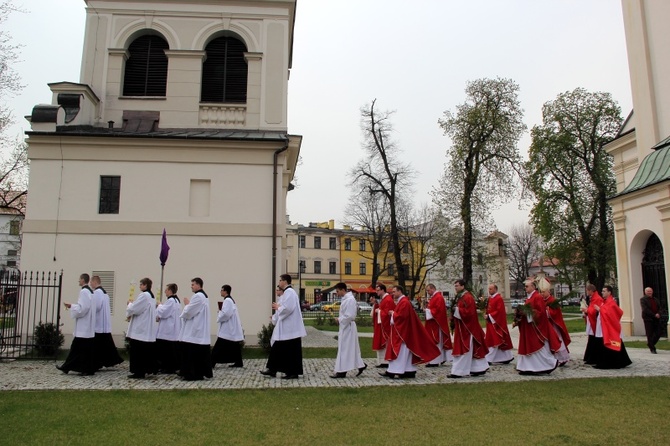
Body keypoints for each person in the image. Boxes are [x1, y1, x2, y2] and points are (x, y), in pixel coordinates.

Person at [381, 285, 440, 379]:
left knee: (400, 353)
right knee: (406, 353)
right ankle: (409, 371)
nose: (393, 293)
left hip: (403, 333)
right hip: (405, 332)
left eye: (394, 291)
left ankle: (394, 371)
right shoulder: (403, 301)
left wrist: (392, 314)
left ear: (400, 291)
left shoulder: (404, 302)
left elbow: (402, 317)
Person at [261, 274, 307, 379]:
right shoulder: (287, 293)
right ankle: (273, 369)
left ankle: (291, 372)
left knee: (289, 351)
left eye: (280, 280)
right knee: (279, 349)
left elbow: (288, 309)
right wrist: (276, 314)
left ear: (285, 281)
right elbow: (285, 308)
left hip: (290, 328)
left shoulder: (290, 292)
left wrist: (278, 307)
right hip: (287, 328)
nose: (279, 282)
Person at [515, 278, 559, 375]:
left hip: (535, 328)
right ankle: (527, 367)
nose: (525, 288)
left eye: (527, 286)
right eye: (525, 286)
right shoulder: (529, 298)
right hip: (528, 327)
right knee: (528, 347)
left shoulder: (537, 297)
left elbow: (541, 313)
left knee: (536, 348)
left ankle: (547, 364)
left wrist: (528, 312)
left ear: (533, 286)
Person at [57, 273, 97, 375]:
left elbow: (82, 309)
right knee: (83, 350)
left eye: (79, 279)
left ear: (83, 280)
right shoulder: (91, 292)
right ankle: (73, 367)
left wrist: (72, 307)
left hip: (83, 326)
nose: (78, 281)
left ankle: (70, 367)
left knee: (76, 349)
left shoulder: (84, 292)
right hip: (88, 325)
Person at [449, 279, 489, 378]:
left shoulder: (468, 297)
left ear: (463, 286)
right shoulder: (461, 297)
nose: (456, 288)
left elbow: (469, 313)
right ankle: (477, 368)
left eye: (457, 286)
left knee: (464, 348)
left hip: (467, 328)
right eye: (455, 286)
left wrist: (456, 310)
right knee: (472, 348)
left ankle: (458, 371)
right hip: (462, 326)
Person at [179, 277, 213, 381]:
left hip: (195, 330)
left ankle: (192, 374)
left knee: (191, 354)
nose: (191, 286)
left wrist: (186, 305)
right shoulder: (203, 296)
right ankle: (198, 373)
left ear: (198, 285)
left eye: (193, 284)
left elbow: (189, 312)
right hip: (199, 329)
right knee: (198, 355)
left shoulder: (198, 296)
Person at [330, 283, 366, 378]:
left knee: (345, 348)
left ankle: (342, 371)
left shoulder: (350, 300)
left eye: (337, 291)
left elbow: (349, 315)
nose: (337, 293)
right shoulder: (346, 299)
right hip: (346, 326)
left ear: (343, 290)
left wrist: (340, 320)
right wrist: (340, 318)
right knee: (349, 348)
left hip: (348, 327)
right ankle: (360, 365)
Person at [593, 285, 632, 369]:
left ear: (609, 292)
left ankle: (613, 362)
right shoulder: (606, 301)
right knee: (604, 343)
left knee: (612, 343)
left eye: (604, 291)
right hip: (603, 325)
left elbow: (612, 313)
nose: (602, 293)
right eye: (602, 291)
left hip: (609, 327)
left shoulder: (611, 302)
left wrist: (600, 309)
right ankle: (617, 361)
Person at [126, 277, 158, 379]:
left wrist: (129, 304)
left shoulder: (144, 295)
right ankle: (146, 370)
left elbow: (135, 308)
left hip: (140, 329)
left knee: (138, 352)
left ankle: (138, 372)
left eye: (141, 284)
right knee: (145, 352)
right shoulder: (151, 297)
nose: (140, 286)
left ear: (145, 285)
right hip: (146, 329)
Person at [91, 275, 123, 370]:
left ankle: (97, 363)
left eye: (91, 282)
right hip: (104, 323)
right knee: (105, 345)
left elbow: (96, 307)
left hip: (98, 323)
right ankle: (107, 361)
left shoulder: (97, 292)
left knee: (98, 346)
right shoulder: (105, 293)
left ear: (95, 282)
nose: (90, 284)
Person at [538, 278, 571, 366]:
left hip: (554, 325)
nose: (542, 294)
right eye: (541, 292)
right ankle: (552, 358)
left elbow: (555, 313)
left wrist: (547, 311)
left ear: (548, 291)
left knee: (557, 340)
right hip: (546, 325)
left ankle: (562, 358)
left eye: (543, 292)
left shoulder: (553, 301)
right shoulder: (542, 300)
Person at [211, 284, 244, 369]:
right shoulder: (229, 300)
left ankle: (211, 362)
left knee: (219, 345)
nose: (220, 291)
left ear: (225, 291)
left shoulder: (228, 301)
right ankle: (238, 361)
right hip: (230, 326)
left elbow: (226, 313)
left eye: (221, 290)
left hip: (228, 327)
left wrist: (219, 313)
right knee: (234, 345)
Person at [484, 283, 514, 365]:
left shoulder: (499, 298)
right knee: (493, 340)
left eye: (491, 289)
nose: (489, 290)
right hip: (490, 322)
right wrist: (486, 314)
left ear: (495, 289)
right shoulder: (490, 298)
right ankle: (507, 357)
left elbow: (499, 311)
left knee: (495, 340)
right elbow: (489, 308)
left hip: (496, 323)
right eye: (489, 289)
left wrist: (489, 316)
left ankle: (489, 358)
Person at [424, 283, 453, 367]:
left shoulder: (438, 297)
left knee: (436, 341)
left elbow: (438, 311)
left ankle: (435, 361)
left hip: (436, 324)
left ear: (433, 289)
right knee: (436, 342)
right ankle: (440, 359)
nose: (428, 292)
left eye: (428, 290)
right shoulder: (434, 297)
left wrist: (427, 311)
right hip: (432, 323)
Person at [155, 283, 181, 374]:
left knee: (166, 351)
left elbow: (164, 312)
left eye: (166, 289)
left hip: (167, 330)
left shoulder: (171, 301)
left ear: (170, 290)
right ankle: (169, 366)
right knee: (171, 351)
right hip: (172, 328)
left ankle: (167, 367)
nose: (165, 291)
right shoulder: (176, 301)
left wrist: (159, 305)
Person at [372, 283, 395, 368]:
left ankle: (385, 361)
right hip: (381, 324)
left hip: (385, 325)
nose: (376, 292)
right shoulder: (384, 299)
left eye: (378, 290)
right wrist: (377, 307)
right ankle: (382, 361)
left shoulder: (388, 299)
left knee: (385, 343)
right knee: (381, 343)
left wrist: (379, 312)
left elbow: (387, 313)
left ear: (382, 290)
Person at [581, 284, 604, 364]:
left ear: (590, 290)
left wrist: (587, 311)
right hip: (591, 321)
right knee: (591, 340)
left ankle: (592, 358)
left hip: (595, 322)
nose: (587, 292)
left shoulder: (597, 298)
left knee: (593, 340)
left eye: (587, 290)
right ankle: (589, 357)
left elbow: (594, 311)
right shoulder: (593, 298)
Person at [640, 287, 662, 353]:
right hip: (648, 318)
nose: (649, 292)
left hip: (656, 318)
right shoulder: (643, 299)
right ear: (645, 292)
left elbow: (660, 308)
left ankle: (650, 343)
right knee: (649, 333)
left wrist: (659, 313)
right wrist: (654, 315)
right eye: (648, 291)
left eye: (650, 291)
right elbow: (645, 309)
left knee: (659, 333)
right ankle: (652, 349)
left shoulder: (655, 299)